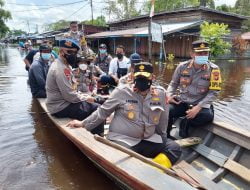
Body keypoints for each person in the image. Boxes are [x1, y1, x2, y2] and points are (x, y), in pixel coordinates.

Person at [67, 62, 182, 167]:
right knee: (123, 158)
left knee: (174, 148)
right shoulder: (122, 92)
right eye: (138, 77)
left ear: (152, 78)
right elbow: (102, 112)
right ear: (133, 77)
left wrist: (162, 141)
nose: (141, 80)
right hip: (123, 140)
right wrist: (83, 124)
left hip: (147, 139)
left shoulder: (161, 94)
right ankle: (139, 169)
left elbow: (163, 120)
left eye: (145, 77)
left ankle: (154, 170)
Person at [45, 39, 103, 135]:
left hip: (63, 103)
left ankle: (88, 127)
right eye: (70, 52)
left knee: (91, 104)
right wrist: (91, 99)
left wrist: (89, 98)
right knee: (97, 108)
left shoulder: (65, 65)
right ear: (61, 52)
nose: (73, 55)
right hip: (60, 107)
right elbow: (70, 96)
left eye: (75, 52)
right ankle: (97, 136)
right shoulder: (60, 69)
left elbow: (73, 90)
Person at [166, 40, 222, 139]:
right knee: (166, 110)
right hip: (183, 101)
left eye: (205, 53)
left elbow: (214, 92)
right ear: (192, 54)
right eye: (199, 53)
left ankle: (186, 122)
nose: (203, 55)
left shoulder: (214, 70)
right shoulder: (182, 67)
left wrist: (198, 107)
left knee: (207, 116)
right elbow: (173, 84)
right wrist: (169, 96)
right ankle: (167, 135)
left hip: (200, 104)